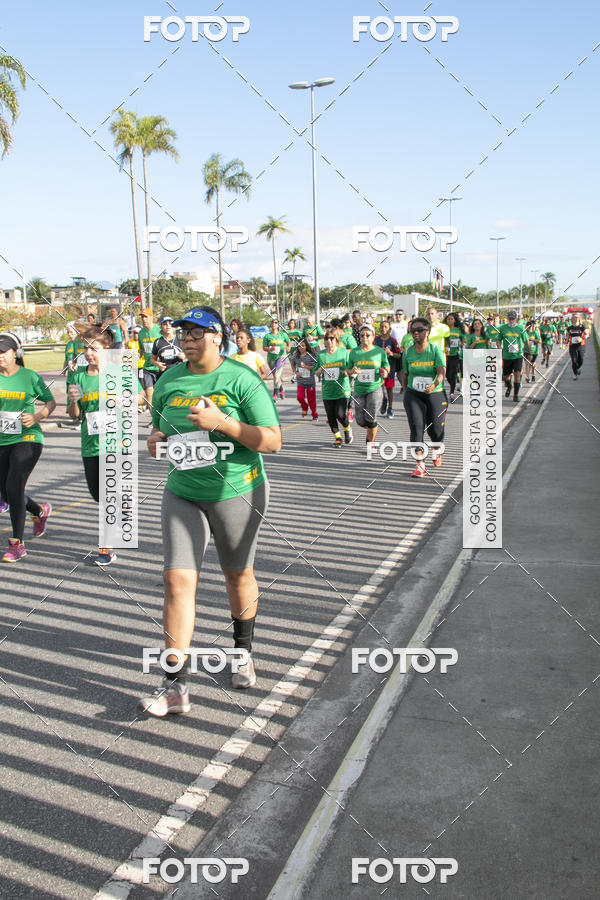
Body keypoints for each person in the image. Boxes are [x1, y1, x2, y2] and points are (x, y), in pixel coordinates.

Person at [140, 306, 281, 715]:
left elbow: (272, 442)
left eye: (198, 331)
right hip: (182, 491)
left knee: (237, 574)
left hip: (236, 491)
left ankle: (242, 652)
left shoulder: (241, 378)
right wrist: (156, 438)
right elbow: (162, 427)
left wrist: (223, 423)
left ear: (218, 336)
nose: (188, 337)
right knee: (176, 581)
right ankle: (175, 685)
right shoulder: (168, 379)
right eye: (184, 330)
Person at [66, 326, 141, 565]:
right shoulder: (77, 376)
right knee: (98, 494)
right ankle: (123, 505)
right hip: (90, 443)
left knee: (108, 496)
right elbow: (73, 414)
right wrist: (73, 401)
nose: (88, 353)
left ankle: (106, 547)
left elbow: (140, 398)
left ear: (106, 349)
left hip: (116, 443)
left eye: (94, 348)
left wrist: (123, 399)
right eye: (85, 348)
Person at [0, 332, 56, 562]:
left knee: (14, 486)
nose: (0, 356)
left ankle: (17, 544)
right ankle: (39, 511)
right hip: (3, 440)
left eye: (4, 351)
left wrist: (37, 416)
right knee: (6, 492)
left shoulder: (29, 377)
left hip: (28, 438)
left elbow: (50, 402)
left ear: (16, 353)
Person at [401, 318, 447, 477]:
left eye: (419, 330)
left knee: (435, 429)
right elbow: (405, 375)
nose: (415, 333)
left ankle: (437, 449)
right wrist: (407, 393)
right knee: (416, 427)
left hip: (434, 393)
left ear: (427, 332)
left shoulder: (435, 350)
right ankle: (420, 464)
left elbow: (441, 373)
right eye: (412, 330)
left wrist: (433, 385)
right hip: (414, 394)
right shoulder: (407, 352)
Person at [347, 324, 389, 445]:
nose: (364, 337)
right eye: (362, 335)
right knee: (360, 420)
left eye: (368, 335)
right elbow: (348, 370)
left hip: (374, 387)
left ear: (373, 336)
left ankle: (371, 442)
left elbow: (386, 367)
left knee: (371, 418)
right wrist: (352, 371)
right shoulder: (354, 352)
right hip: (359, 389)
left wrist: (384, 372)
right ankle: (370, 431)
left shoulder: (380, 351)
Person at [315, 329, 351, 445]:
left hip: (342, 389)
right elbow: (315, 371)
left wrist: (347, 372)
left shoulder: (343, 352)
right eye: (327, 339)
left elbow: (351, 368)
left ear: (336, 340)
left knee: (340, 414)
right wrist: (319, 371)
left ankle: (347, 429)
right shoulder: (321, 355)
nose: (329, 341)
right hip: (328, 390)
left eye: (332, 338)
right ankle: (337, 437)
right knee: (331, 416)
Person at [499, 310, 528, 402]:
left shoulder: (521, 328)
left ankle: (516, 395)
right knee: (506, 377)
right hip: (507, 356)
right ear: (507, 318)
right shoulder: (503, 328)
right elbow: (498, 340)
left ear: (516, 319)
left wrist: (528, 353)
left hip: (517, 356)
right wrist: (499, 348)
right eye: (510, 318)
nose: (511, 320)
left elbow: (526, 341)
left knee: (517, 374)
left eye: (513, 318)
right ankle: (509, 386)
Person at [375, 319, 400, 418]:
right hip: (377, 368)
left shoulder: (393, 341)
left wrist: (391, 353)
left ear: (389, 329)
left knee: (389, 388)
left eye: (385, 327)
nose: (383, 329)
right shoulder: (376, 340)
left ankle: (390, 408)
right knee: (379, 387)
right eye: (381, 327)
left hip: (389, 368)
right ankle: (384, 400)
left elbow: (398, 355)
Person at [137, 308, 162, 410]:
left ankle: (160, 416)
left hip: (160, 368)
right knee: (149, 393)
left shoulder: (159, 330)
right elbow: (141, 350)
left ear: (152, 317)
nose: (144, 319)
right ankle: (154, 420)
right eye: (142, 317)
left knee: (160, 394)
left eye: (146, 317)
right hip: (147, 368)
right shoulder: (141, 333)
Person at [290, 337, 318, 420]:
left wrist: (306, 366)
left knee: (311, 400)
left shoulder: (311, 355)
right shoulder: (295, 355)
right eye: (299, 346)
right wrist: (296, 372)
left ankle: (314, 413)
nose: (300, 348)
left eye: (303, 346)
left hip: (310, 382)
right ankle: (304, 407)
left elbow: (315, 367)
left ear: (306, 346)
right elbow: (292, 364)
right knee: (300, 397)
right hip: (301, 381)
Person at [263, 319, 288, 400]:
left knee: (276, 375)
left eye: (276, 322)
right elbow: (264, 348)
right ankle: (281, 389)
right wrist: (270, 348)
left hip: (281, 357)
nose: (274, 324)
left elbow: (289, 342)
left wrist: (288, 347)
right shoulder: (267, 336)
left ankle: (275, 393)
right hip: (271, 359)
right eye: (272, 322)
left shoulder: (282, 335)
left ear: (278, 325)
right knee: (275, 376)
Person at [444, 312, 464, 401]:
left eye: (451, 319)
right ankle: (453, 384)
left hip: (456, 354)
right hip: (446, 354)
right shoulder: (444, 329)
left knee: (454, 372)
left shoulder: (458, 330)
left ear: (455, 320)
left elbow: (463, 340)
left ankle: (451, 392)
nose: (450, 320)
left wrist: (461, 344)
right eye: (448, 319)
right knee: (447, 374)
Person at [566, 313, 589, 379]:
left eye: (576, 317)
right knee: (574, 360)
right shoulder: (570, 328)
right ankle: (575, 374)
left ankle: (578, 368)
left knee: (580, 359)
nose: (575, 319)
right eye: (574, 318)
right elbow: (567, 335)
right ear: (572, 319)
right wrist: (566, 341)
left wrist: (582, 339)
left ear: (579, 318)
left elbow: (587, 334)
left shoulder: (582, 326)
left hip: (581, 345)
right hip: (572, 346)